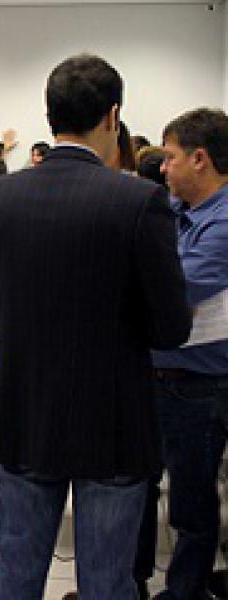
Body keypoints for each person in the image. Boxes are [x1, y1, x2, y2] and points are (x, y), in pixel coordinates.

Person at [0, 53, 191, 600]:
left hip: (24, 411)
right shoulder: (140, 200)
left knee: (17, 574)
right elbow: (171, 328)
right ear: (113, 116)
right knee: (107, 581)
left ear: (49, 116)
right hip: (112, 420)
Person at [149, 108, 228, 600]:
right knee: (146, 488)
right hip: (162, 373)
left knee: (191, 504)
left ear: (200, 159)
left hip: (197, 384)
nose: (162, 168)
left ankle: (186, 594)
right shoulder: (179, 211)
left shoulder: (222, 223)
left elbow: (174, 288)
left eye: (170, 157)